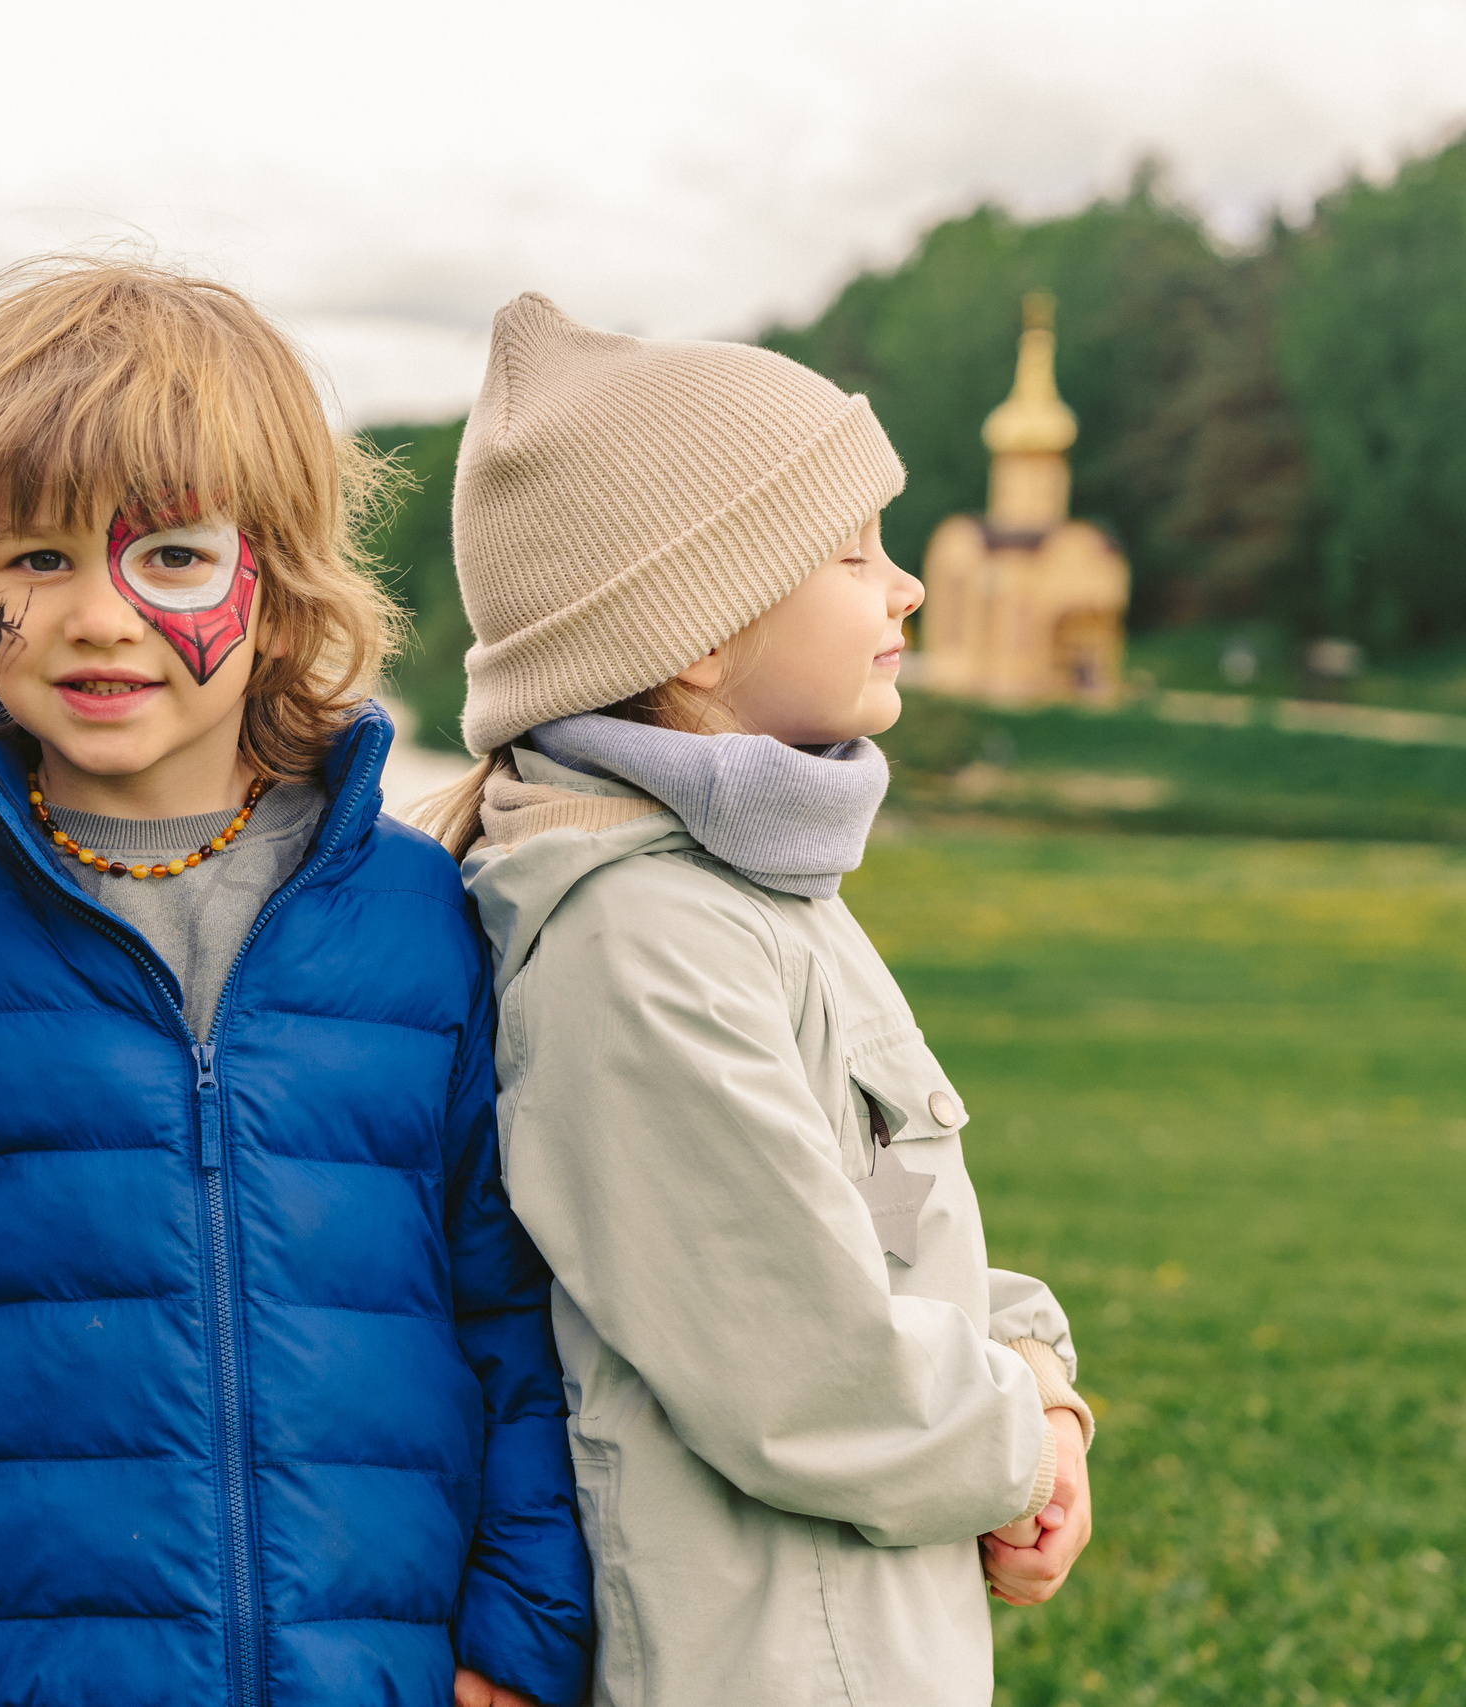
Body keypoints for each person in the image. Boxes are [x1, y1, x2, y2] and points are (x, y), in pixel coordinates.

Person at [0, 258, 593, 1707]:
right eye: (36, 558)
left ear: (274, 579)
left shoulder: (419, 915)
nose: (98, 616)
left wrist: (522, 1635)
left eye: (171, 557)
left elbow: (510, 1310)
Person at [420, 294, 1097, 1706]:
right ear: (695, 639)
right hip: (769, 1659)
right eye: (852, 553)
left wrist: (1037, 1365)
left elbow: (875, 1228)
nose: (905, 586)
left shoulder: (759, 891)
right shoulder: (638, 939)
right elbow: (806, 1374)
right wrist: (1018, 1437)